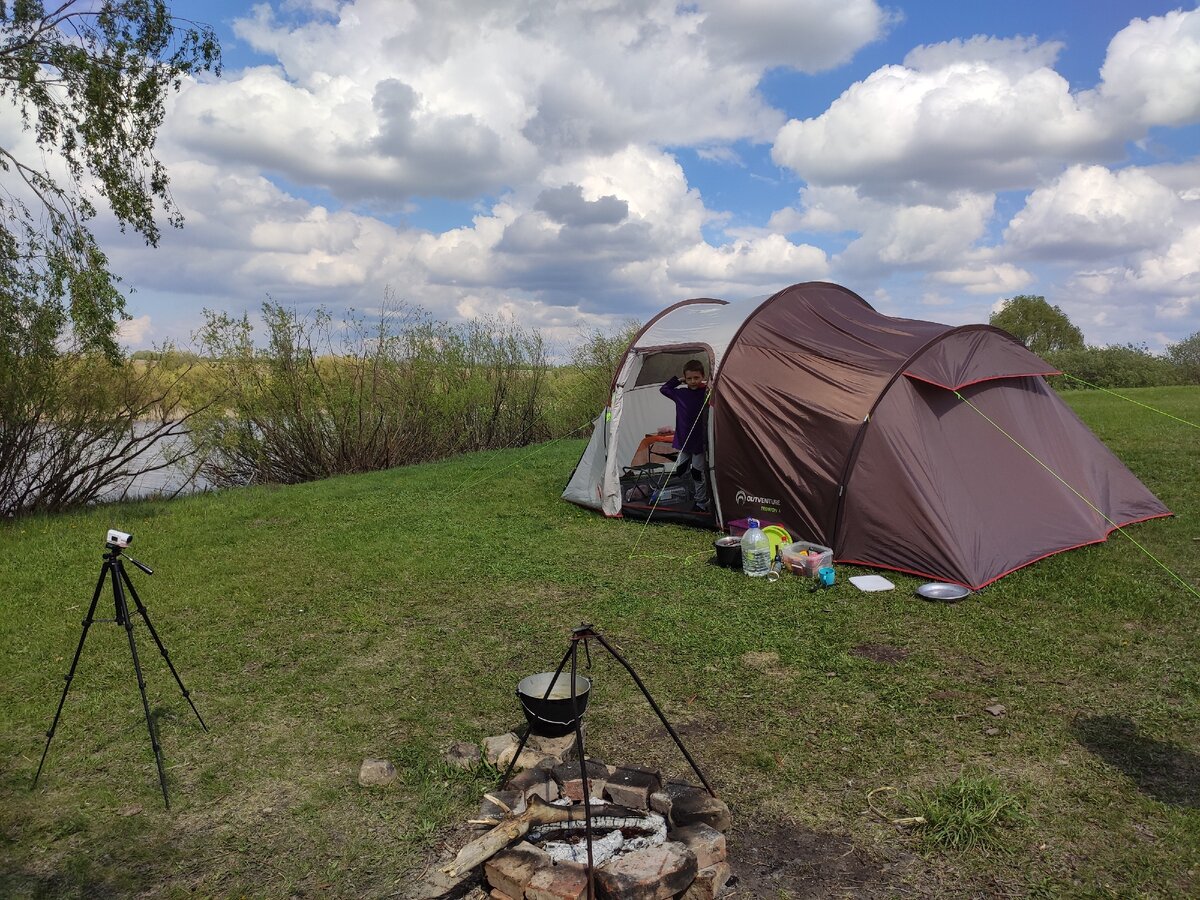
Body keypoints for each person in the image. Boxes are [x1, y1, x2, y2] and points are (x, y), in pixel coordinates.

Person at [659, 359, 711, 512]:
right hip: (683, 440)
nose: (693, 381)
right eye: (689, 378)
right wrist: (679, 380)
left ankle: (701, 502)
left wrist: (708, 384)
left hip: (699, 441)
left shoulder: (706, 393)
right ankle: (694, 492)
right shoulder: (680, 393)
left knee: (697, 472)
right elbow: (664, 389)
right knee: (681, 470)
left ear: (702, 376)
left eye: (696, 377)